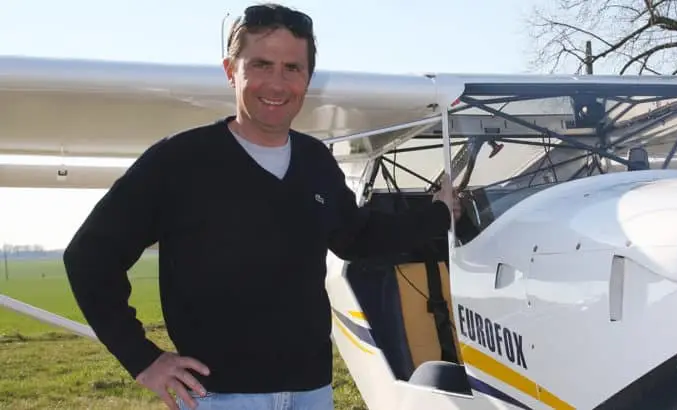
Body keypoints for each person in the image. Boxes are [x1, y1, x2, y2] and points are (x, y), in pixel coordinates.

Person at [62, 3, 460, 410]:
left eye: (292, 68)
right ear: (231, 70)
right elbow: (90, 257)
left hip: (312, 392)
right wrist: (142, 358)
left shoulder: (315, 161)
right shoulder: (178, 160)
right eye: (261, 65)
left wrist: (439, 213)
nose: (277, 83)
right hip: (219, 396)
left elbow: (357, 237)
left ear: (307, 77)